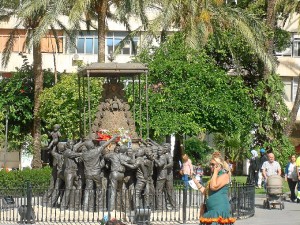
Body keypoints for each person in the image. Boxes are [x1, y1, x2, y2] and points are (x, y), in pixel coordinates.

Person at [192, 151, 234, 224]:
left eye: (212, 164)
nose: (210, 166)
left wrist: (215, 172)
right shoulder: (213, 178)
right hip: (211, 210)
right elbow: (206, 192)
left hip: (219, 210)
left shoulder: (224, 175)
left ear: (219, 165)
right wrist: (195, 181)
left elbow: (213, 187)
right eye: (210, 164)